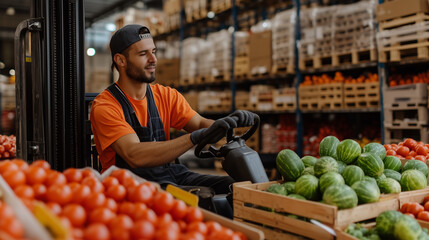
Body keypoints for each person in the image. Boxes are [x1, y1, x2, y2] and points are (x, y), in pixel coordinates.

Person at [90, 24, 256, 196]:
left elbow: (198, 123)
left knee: (233, 186)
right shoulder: (106, 106)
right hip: (129, 184)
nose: (153, 59)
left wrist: (226, 124)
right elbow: (134, 154)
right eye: (143, 54)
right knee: (203, 197)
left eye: (153, 52)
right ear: (121, 60)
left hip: (169, 173)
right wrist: (192, 138)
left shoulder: (165, 95)